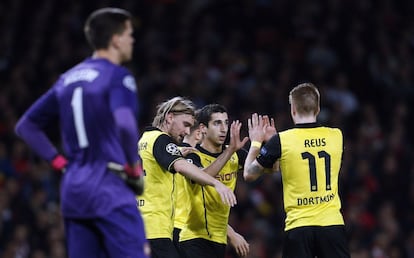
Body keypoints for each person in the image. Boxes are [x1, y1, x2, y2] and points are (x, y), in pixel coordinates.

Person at [14, 8, 149, 258]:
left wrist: (58, 162)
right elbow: (126, 124)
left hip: (74, 190)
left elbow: (26, 126)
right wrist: (133, 167)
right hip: (110, 187)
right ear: (116, 39)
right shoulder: (117, 76)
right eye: (129, 34)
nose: (132, 40)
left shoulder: (67, 79)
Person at [244, 83, 350, 258]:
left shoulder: (282, 140)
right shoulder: (336, 135)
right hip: (332, 225)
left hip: (299, 227)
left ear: (292, 109)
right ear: (318, 108)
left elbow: (248, 173)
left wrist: (258, 142)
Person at [137, 97, 237, 258]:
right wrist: (216, 183)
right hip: (155, 228)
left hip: (144, 225)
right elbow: (181, 166)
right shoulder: (161, 139)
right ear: (170, 118)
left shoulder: (145, 139)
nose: (186, 132)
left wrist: (177, 155)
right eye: (185, 125)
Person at [179, 104, 250, 258]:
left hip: (218, 240)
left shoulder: (235, 154)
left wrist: (262, 142)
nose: (224, 128)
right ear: (203, 128)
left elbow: (262, 169)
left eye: (226, 122)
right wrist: (230, 150)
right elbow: (202, 177)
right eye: (217, 123)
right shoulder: (192, 154)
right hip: (193, 238)